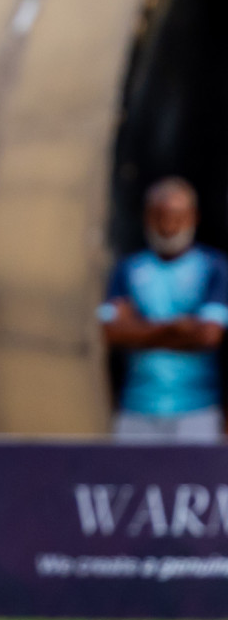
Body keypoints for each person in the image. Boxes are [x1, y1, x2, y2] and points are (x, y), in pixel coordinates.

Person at [99, 177, 228, 442]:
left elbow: (208, 336)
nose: (169, 226)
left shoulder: (213, 267)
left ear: (194, 217)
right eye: (161, 216)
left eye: (177, 217)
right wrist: (176, 328)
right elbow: (113, 333)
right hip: (137, 408)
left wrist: (141, 329)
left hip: (198, 409)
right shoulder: (128, 269)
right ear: (147, 217)